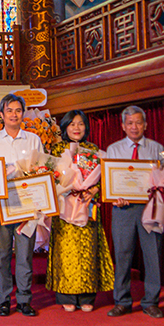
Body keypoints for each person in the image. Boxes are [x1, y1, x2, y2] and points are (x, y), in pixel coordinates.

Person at [46, 110, 114, 312]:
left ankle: (87, 296)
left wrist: (94, 189)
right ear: (65, 127)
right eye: (72, 124)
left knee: (88, 251)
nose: (76, 128)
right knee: (65, 253)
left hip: (87, 206)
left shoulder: (94, 150)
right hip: (64, 207)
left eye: (81, 124)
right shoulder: (56, 150)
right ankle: (66, 295)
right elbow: (49, 176)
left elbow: (107, 178)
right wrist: (64, 186)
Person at [106, 105, 164, 319]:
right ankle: (122, 301)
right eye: (130, 123)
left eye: (138, 122)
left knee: (153, 255)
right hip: (123, 209)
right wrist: (115, 196)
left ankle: (151, 302)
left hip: (150, 208)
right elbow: (109, 181)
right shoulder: (113, 149)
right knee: (122, 255)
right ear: (123, 126)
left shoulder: (157, 149)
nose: (134, 127)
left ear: (145, 125)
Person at [0, 94, 43, 317]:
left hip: (26, 204)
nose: (14, 114)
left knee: (25, 253)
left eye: (18, 110)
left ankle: (24, 300)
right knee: (1, 254)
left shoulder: (33, 140)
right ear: (1, 114)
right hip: (0, 205)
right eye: (9, 110)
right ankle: (3, 300)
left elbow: (41, 170)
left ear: (23, 114)